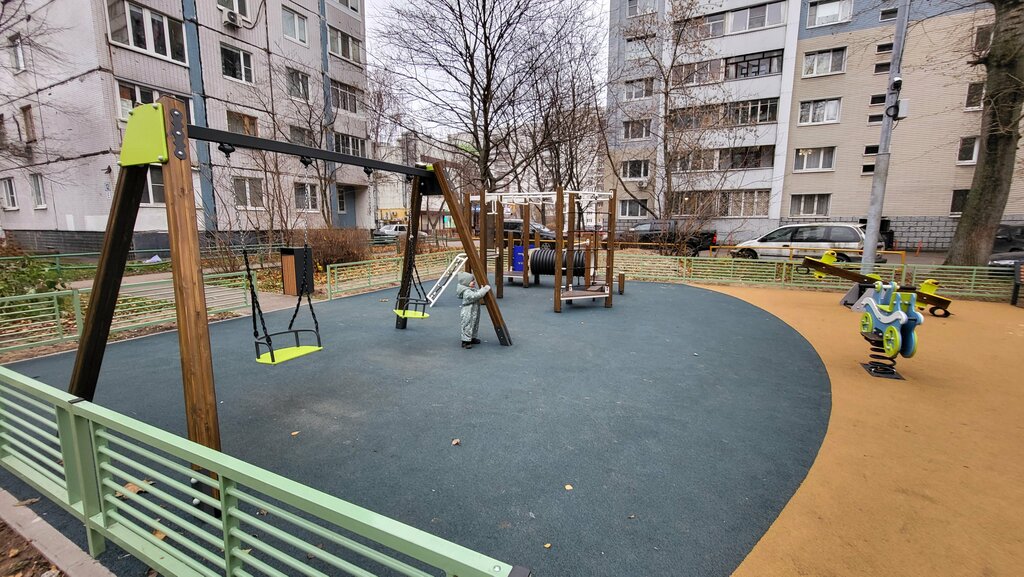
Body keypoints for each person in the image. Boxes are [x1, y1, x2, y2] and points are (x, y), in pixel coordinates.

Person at [455, 271, 490, 349]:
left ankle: (472, 337)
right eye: (471, 281)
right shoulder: (466, 292)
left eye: (473, 280)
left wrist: (480, 289)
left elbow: (476, 292)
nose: (474, 282)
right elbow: (475, 296)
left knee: (474, 324)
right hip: (468, 312)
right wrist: (484, 290)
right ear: (466, 283)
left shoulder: (470, 289)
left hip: (474, 311)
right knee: (467, 325)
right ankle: (465, 341)